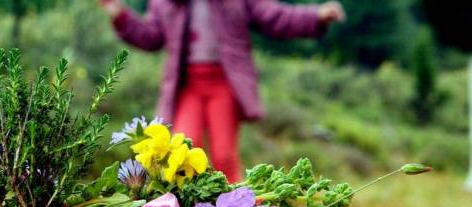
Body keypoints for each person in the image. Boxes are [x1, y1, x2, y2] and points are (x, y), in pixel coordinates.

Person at [99, 0, 345, 182]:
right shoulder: (166, 3)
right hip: (188, 86)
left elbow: (276, 17)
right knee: (182, 147)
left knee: (224, 154)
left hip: (224, 83)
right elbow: (151, 36)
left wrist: (316, 17)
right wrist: (120, 16)